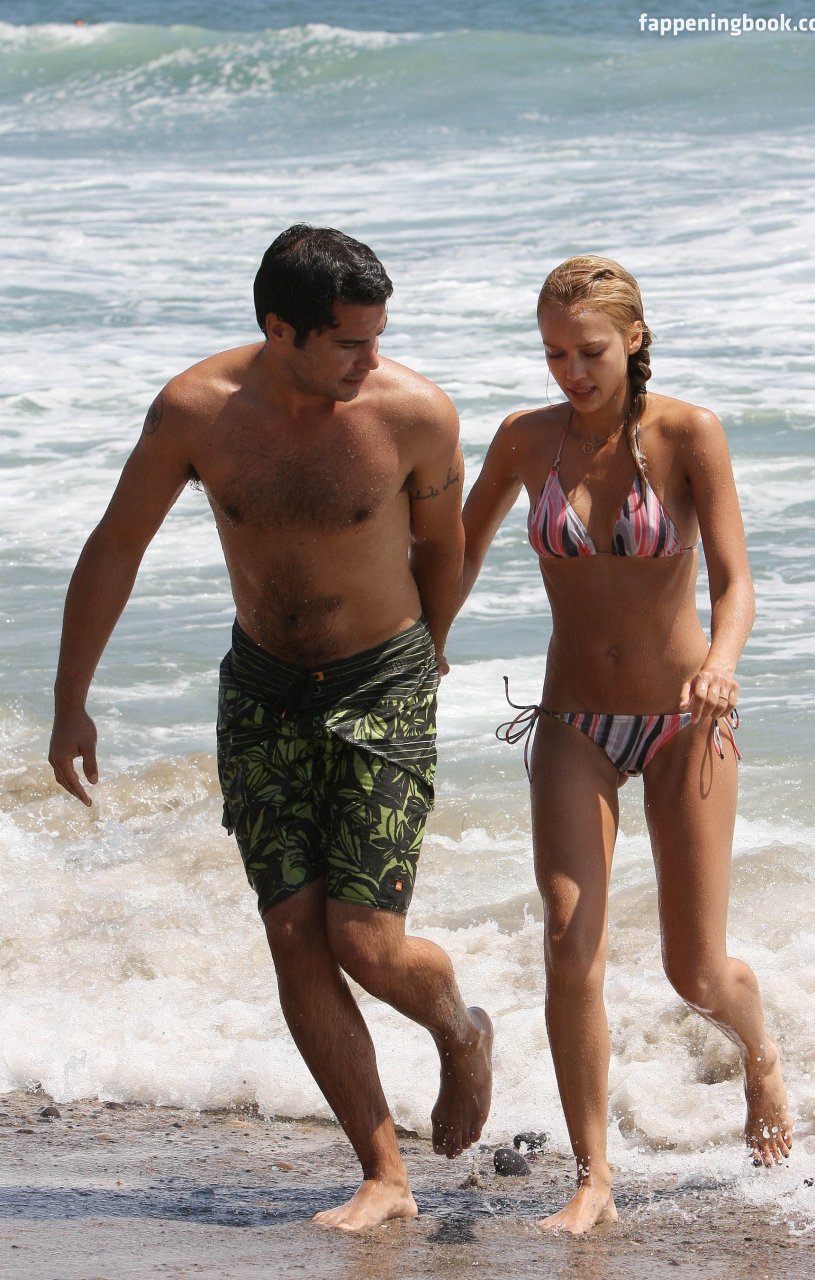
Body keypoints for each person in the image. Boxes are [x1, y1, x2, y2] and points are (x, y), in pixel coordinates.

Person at [48, 224, 493, 1232]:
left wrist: (431, 649)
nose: (371, 359)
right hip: (261, 687)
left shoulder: (414, 415)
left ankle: (460, 1029)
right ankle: (382, 1172)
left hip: (383, 680)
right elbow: (116, 544)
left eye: (378, 338)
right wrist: (72, 698)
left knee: (365, 942)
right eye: (349, 342)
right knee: (293, 931)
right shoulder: (196, 411)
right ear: (279, 328)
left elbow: (443, 545)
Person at [460, 255, 791, 1234]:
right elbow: (457, 551)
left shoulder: (688, 434)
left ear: (633, 339)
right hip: (575, 721)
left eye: (589, 351)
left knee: (697, 971)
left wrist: (722, 660)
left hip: (686, 719)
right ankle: (593, 1176)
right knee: (570, 941)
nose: (571, 371)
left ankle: (761, 1055)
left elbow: (734, 580)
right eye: (553, 354)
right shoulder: (524, 440)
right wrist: (418, 641)